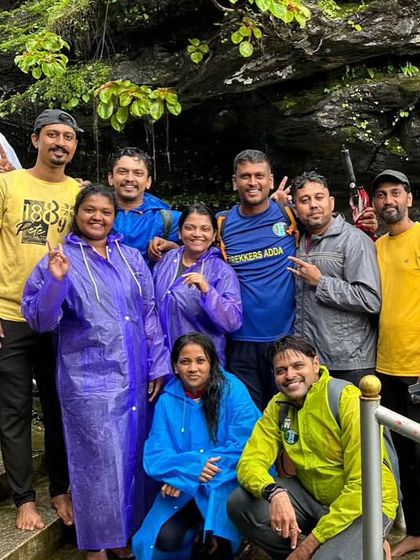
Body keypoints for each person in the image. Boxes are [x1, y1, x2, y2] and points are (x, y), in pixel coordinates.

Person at [22, 184, 171, 560]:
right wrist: (56, 280)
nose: (97, 217)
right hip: (88, 381)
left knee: (134, 460)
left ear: (114, 216)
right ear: (78, 213)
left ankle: (125, 538)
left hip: (136, 377)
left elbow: (148, 312)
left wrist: (158, 364)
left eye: (105, 211)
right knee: (97, 466)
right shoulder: (62, 258)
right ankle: (97, 545)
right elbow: (40, 320)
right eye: (90, 210)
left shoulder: (130, 257)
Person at [228, 335, 398, 560]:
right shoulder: (278, 405)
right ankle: (332, 549)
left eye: (298, 366)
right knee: (241, 504)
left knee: (320, 556)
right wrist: (274, 493)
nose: (290, 375)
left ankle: (353, 546)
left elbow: (362, 485)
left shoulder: (345, 398)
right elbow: (249, 462)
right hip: (314, 498)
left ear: (316, 364)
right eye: (281, 370)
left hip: (364, 506)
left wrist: (309, 546)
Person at [0, 109, 82, 531]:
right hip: (9, 314)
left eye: (68, 137)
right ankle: (24, 500)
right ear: (34, 140)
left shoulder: (77, 193)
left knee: (58, 406)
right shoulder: (8, 183)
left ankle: (61, 489)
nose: (60, 143)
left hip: (57, 319)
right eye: (52, 135)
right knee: (13, 409)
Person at [132, 332, 260, 560]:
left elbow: (245, 445)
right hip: (185, 486)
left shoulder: (233, 390)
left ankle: (226, 538)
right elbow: (156, 452)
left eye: (200, 361)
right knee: (163, 540)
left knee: (221, 543)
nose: (193, 368)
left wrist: (186, 472)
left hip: (227, 482)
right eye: (185, 362)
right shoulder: (168, 398)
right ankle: (197, 535)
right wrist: (187, 471)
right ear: (175, 366)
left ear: (211, 362)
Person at [217, 149, 298, 410]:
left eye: (259, 176)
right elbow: (191, 241)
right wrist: (166, 246)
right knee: (249, 419)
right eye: (245, 176)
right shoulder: (221, 223)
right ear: (234, 182)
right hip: (240, 342)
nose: (253, 183)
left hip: (285, 338)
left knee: (288, 416)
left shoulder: (290, 215)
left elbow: (327, 223)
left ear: (271, 180)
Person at [287, 171, 381, 386]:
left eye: (319, 198)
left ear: (331, 202)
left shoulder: (355, 240)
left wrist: (321, 282)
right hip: (312, 361)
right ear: (295, 208)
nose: (313, 205)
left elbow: (370, 299)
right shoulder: (299, 239)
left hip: (350, 362)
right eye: (305, 200)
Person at [372, 169, 420, 557]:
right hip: (385, 366)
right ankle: (414, 528)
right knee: (401, 453)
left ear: (409, 198)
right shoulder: (376, 246)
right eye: (382, 195)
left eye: (395, 193)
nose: (389, 200)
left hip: (418, 365)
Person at [153, 204, 242, 366]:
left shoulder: (222, 270)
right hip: (166, 361)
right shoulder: (165, 261)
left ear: (214, 234)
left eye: (205, 229)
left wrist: (208, 292)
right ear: (179, 232)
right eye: (190, 228)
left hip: (203, 364)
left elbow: (233, 322)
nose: (197, 234)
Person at [107, 147, 181, 265]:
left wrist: (172, 247)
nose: (130, 178)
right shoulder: (95, 215)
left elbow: (195, 255)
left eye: (138, 173)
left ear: (148, 182)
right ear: (110, 178)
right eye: (122, 172)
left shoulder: (170, 219)